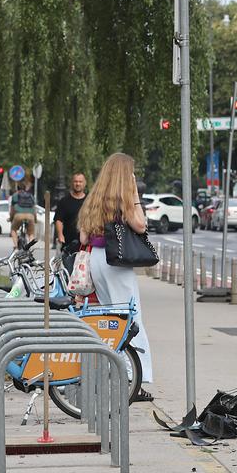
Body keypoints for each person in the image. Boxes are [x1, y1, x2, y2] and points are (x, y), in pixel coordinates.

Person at [78, 152, 154, 398]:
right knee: (131, 319)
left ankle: (115, 371)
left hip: (97, 260)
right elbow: (140, 225)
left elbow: (81, 237)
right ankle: (134, 378)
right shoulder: (124, 198)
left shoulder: (96, 198)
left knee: (110, 316)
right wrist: (134, 195)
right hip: (117, 263)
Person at [53, 172, 88, 274]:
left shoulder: (89, 201)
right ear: (72, 183)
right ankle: (69, 289)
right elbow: (58, 219)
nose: (78, 184)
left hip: (86, 245)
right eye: (76, 181)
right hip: (68, 244)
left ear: (84, 183)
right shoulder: (64, 201)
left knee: (84, 275)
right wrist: (60, 235)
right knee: (70, 273)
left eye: (80, 181)